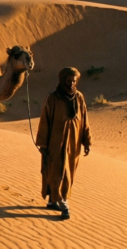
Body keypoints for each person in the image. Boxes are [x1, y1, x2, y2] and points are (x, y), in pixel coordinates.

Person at [36, 67, 92, 220]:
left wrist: (87, 141)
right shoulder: (53, 98)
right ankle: (63, 201)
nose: (72, 83)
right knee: (56, 171)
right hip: (55, 142)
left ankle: (53, 200)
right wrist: (43, 144)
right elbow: (44, 121)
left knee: (69, 171)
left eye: (74, 81)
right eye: (69, 80)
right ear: (62, 80)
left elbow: (84, 120)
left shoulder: (79, 97)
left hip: (73, 144)